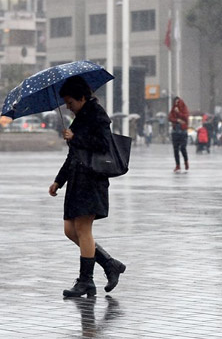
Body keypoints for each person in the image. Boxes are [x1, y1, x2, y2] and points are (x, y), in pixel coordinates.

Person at [48, 76, 126, 297]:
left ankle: (86, 281)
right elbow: (73, 155)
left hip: (91, 180)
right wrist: (58, 181)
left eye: (71, 103)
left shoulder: (97, 114)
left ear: (82, 98)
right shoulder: (79, 118)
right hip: (76, 180)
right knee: (70, 230)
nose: (68, 107)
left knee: (83, 230)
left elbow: (103, 145)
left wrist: (76, 137)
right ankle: (110, 264)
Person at [168, 97, 189, 173]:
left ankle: (186, 162)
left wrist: (179, 113)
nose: (177, 104)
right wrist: (177, 120)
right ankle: (178, 165)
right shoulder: (173, 109)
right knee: (175, 149)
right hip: (175, 131)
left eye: (178, 102)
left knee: (183, 148)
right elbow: (170, 117)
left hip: (183, 131)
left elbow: (186, 118)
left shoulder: (184, 109)